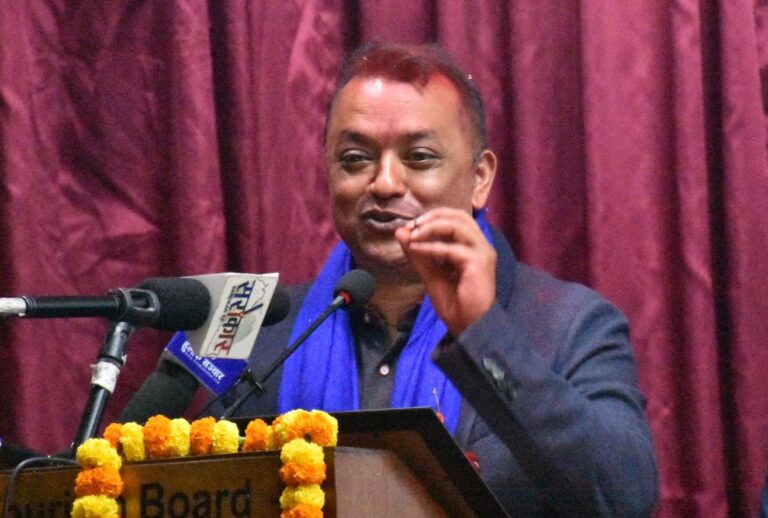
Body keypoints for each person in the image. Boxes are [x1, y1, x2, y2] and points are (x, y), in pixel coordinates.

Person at [129, 41, 659, 516]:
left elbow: (623, 495)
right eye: (355, 158)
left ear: (479, 179)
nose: (384, 183)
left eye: (419, 158)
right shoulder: (258, 327)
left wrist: (483, 335)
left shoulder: (566, 325)